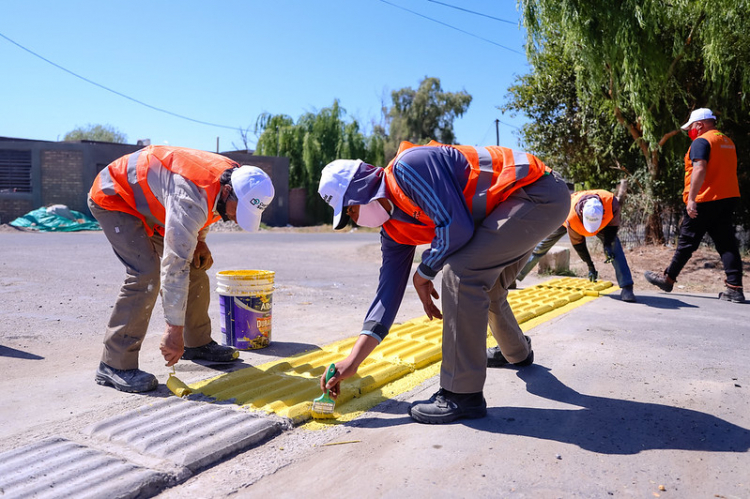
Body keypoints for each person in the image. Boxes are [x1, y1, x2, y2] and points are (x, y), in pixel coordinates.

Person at [317, 140, 570, 424]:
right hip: (517, 207)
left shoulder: (409, 167)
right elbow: (386, 296)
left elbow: (456, 227)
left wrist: (424, 272)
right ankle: (517, 352)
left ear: (362, 189)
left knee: (461, 274)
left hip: (537, 195)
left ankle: (461, 395)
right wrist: (353, 361)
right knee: (490, 283)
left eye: (350, 210)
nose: (354, 219)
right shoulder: (394, 231)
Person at [88, 145, 275, 393]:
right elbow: (174, 267)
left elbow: (207, 211)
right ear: (228, 192)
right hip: (116, 197)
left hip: (157, 203)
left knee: (196, 265)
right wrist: (172, 331)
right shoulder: (191, 195)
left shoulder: (236, 180)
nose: (237, 218)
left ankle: (196, 343)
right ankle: (114, 364)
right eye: (238, 211)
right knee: (146, 274)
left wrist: (200, 241)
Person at [644, 108, 744, 303]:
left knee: (687, 243)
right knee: (727, 244)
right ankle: (735, 288)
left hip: (704, 200)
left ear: (699, 125)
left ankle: (668, 278)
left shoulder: (702, 141)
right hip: (727, 198)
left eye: (691, 127)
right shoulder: (727, 141)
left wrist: (691, 198)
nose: (690, 131)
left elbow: (700, 168)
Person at [562, 189, 636, 302]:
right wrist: (590, 266)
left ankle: (627, 287)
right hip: (570, 219)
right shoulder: (571, 216)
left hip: (603, 224)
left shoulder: (611, 203)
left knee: (614, 245)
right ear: (582, 212)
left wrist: (607, 246)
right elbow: (579, 245)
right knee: (542, 246)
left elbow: (612, 228)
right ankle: (523, 273)